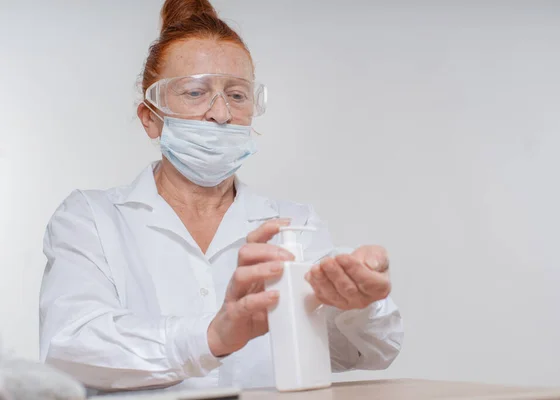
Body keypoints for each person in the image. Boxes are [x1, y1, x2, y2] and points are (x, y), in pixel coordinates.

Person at [39, 0, 403, 393]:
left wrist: (359, 303)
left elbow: (364, 352)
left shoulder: (293, 225)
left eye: (237, 95)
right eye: (196, 92)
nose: (221, 113)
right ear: (150, 118)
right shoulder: (91, 219)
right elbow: (70, 347)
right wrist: (211, 337)